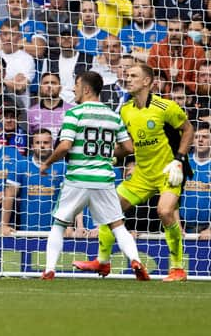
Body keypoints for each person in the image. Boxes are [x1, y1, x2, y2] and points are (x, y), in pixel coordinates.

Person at [73, 63, 194, 282]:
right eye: (126, 75)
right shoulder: (126, 110)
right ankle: (102, 262)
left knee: (165, 212)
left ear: (147, 81)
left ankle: (177, 268)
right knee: (109, 207)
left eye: (133, 76)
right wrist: (110, 154)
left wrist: (179, 159)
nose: (128, 79)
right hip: (142, 174)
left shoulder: (165, 107)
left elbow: (188, 130)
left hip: (169, 171)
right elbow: (128, 146)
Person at [39, 71, 149, 281]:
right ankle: (135, 260)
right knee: (117, 225)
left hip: (77, 178)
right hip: (104, 179)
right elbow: (128, 147)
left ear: (86, 89)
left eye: (77, 85)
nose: (73, 89)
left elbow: (65, 146)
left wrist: (47, 162)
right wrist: (106, 154)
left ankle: (50, 269)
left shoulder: (74, 113)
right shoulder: (113, 115)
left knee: (59, 224)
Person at [15, 128, 65, 231]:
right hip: (27, 230)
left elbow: (69, 199)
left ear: (52, 144)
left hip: (56, 230)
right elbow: (10, 194)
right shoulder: (21, 165)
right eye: (38, 143)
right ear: (32, 146)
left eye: (46, 143)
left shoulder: (63, 166)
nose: (42, 146)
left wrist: (69, 227)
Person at [181, 123, 211, 239]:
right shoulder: (183, 163)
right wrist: (176, 225)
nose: (200, 140)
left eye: (205, 137)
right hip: (184, 229)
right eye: (196, 137)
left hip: (208, 230)